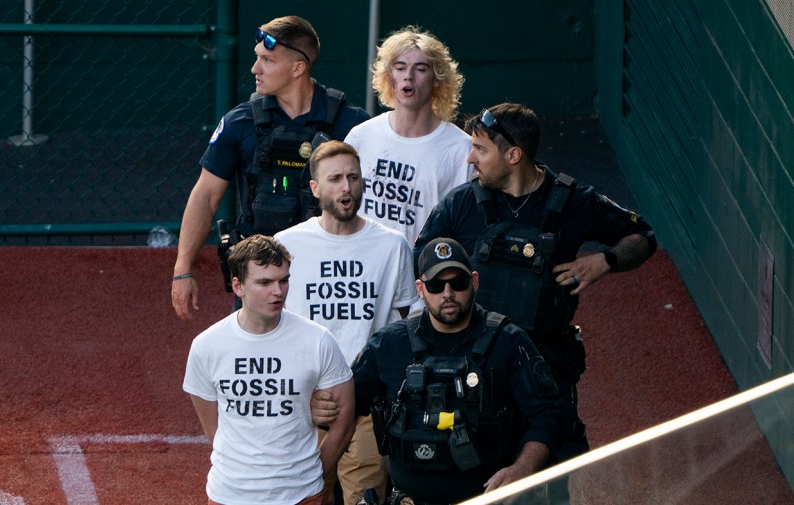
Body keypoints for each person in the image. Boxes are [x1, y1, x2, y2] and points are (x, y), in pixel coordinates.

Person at [413, 103, 657, 488]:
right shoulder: (461, 204)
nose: (469, 158)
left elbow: (642, 236)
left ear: (513, 155)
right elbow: (423, 261)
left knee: (551, 474)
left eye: (480, 149)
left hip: (546, 366)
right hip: (475, 368)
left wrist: (604, 261)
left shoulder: (573, 201)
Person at [332, 237, 563, 504]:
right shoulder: (390, 343)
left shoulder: (508, 341)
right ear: (420, 288)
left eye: (459, 282)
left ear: (474, 281)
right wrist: (321, 405)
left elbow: (547, 415)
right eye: (436, 285)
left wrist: (522, 470)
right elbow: (345, 403)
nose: (448, 293)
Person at [172, 15, 371, 320]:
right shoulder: (240, 122)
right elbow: (206, 195)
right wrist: (182, 269)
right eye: (256, 59)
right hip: (259, 275)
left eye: (267, 60)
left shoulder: (352, 123)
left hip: (330, 273)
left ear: (297, 68)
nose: (255, 69)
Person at [275, 141, 419, 505]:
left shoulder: (392, 245)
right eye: (335, 179)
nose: (346, 187)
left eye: (353, 177)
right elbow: (272, 329)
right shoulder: (287, 245)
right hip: (306, 403)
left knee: (366, 498)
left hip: (368, 403)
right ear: (315, 188)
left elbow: (411, 324)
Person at [183, 234, 356, 505]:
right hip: (229, 495)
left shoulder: (318, 340)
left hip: (301, 495)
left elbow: (344, 420)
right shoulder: (207, 346)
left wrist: (312, 474)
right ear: (238, 285)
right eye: (265, 282)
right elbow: (212, 426)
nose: (278, 291)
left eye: (283, 280)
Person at [345, 26, 472, 246]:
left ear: (437, 79)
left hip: (422, 272)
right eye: (400, 67)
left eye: (420, 68)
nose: (408, 77)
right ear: (388, 75)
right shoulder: (361, 136)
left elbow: (467, 227)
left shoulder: (461, 149)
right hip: (363, 268)